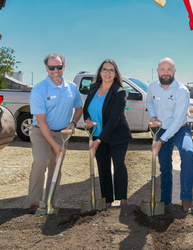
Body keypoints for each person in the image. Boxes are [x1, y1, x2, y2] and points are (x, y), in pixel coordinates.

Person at [28, 53, 83, 209]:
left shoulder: (72, 87)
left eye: (59, 67)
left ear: (64, 67)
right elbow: (41, 120)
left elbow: (79, 108)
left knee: (56, 165)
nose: (55, 70)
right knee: (40, 161)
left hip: (63, 133)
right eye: (52, 67)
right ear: (47, 68)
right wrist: (53, 144)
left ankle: (51, 202)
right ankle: (35, 201)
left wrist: (73, 123)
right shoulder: (39, 89)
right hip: (41, 131)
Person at [146, 57, 193, 213]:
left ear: (174, 71)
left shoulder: (182, 91)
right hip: (162, 127)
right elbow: (149, 102)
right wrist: (153, 116)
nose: (165, 73)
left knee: (187, 153)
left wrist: (160, 141)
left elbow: (178, 119)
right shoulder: (152, 87)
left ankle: (186, 199)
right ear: (157, 71)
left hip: (180, 128)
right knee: (165, 165)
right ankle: (165, 201)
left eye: (169, 70)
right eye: (162, 69)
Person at [83, 59, 132, 209]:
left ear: (116, 74)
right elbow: (86, 109)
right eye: (105, 69)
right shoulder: (93, 87)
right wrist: (88, 120)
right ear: (100, 72)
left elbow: (114, 119)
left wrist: (98, 141)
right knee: (103, 167)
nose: (107, 73)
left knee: (118, 164)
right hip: (98, 134)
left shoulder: (119, 92)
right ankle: (107, 200)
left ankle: (123, 200)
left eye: (111, 70)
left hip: (117, 136)